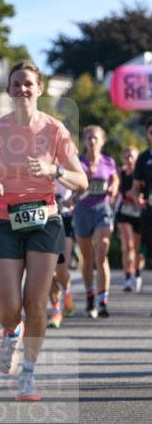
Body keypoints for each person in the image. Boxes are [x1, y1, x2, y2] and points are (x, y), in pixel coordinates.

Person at [0, 61, 87, 401]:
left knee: (36, 302)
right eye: (16, 83)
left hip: (45, 220)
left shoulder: (55, 130)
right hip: (4, 220)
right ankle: (11, 332)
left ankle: (28, 375)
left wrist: (53, 169)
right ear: (8, 89)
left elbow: (82, 180)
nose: (22, 89)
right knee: (8, 306)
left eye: (28, 84)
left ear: (40, 88)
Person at [73, 126, 118, 318]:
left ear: (102, 141)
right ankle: (90, 295)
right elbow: (74, 184)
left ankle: (103, 301)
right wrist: (87, 177)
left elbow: (115, 178)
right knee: (87, 257)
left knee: (102, 251)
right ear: (84, 141)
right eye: (89, 138)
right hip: (82, 210)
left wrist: (114, 187)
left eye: (95, 138)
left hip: (102, 209)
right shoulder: (78, 162)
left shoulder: (108, 161)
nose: (92, 142)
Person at [47, 178, 76, 328]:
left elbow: (81, 184)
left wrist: (71, 200)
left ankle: (67, 292)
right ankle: (56, 310)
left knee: (61, 271)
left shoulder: (66, 158)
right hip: (43, 218)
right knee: (47, 272)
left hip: (64, 217)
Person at [115, 145, 144, 292]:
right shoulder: (121, 173)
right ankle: (127, 278)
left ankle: (137, 274)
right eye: (127, 157)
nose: (130, 159)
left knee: (137, 249)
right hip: (124, 212)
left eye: (132, 156)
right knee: (127, 245)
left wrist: (138, 196)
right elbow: (116, 190)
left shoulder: (143, 173)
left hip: (139, 213)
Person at [133, 118, 152, 314]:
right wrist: (138, 199)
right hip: (149, 213)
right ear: (148, 134)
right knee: (147, 255)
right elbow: (135, 187)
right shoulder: (144, 158)